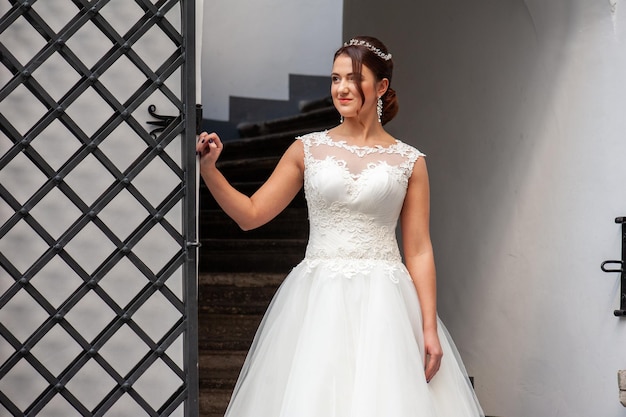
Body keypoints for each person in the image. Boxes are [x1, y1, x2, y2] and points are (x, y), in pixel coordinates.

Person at [197, 36, 484, 417]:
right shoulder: (306, 149)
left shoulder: (409, 161)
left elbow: (418, 249)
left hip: (387, 304)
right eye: (335, 79)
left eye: (353, 78)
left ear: (381, 87)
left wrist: (429, 328)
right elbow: (250, 215)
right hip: (318, 299)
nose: (342, 88)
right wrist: (210, 170)